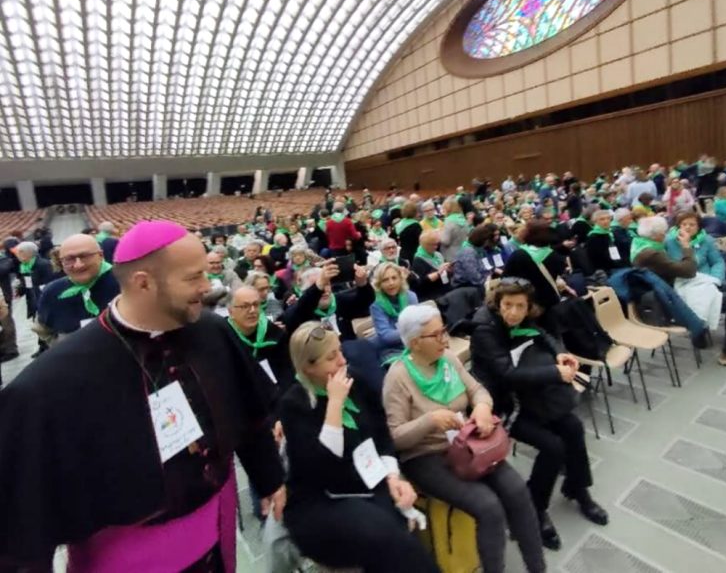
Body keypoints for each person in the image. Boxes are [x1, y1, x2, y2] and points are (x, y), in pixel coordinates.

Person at [0, 220, 285, 571]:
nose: (208, 286)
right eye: (193, 277)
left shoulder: (211, 329)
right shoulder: (52, 381)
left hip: (218, 523)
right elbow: (25, 516)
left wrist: (270, 479)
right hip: (130, 553)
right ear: (143, 282)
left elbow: (250, 411)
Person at [383, 305, 545, 573]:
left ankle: (537, 567)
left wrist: (482, 407)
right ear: (414, 343)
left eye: (443, 332)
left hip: (466, 445)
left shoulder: (447, 359)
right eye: (435, 335)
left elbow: (478, 390)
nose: (444, 340)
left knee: (516, 489)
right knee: (488, 506)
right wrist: (430, 420)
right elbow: (396, 437)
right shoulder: (397, 377)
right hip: (425, 455)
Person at [278, 322, 437, 573]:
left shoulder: (355, 380)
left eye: (340, 351)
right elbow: (323, 468)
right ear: (308, 367)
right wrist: (334, 406)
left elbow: (381, 433)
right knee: (385, 536)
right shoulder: (294, 405)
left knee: (399, 538)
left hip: (366, 481)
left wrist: (393, 476)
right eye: (331, 358)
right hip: (321, 501)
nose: (342, 361)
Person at [470, 279, 608, 550]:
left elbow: (543, 335)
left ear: (528, 307)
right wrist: (556, 373)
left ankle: (577, 487)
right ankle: (535, 508)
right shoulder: (484, 328)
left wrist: (560, 355)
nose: (513, 312)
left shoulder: (524, 320)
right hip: (504, 406)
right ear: (498, 304)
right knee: (553, 447)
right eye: (507, 306)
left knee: (573, 428)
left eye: (520, 307)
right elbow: (506, 376)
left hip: (533, 398)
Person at [633, 216, 726, 371]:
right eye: (665, 232)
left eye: (692, 224)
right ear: (657, 235)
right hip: (672, 298)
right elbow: (688, 271)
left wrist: (714, 278)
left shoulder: (650, 245)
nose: (667, 234)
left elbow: (713, 262)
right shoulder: (653, 252)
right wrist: (686, 247)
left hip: (680, 287)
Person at [34, 233, 120, 346]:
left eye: (85, 256)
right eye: (69, 259)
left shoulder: (125, 280)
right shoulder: (52, 292)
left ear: (101, 255)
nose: (78, 265)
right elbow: (44, 330)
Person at [370, 262, 418, 363]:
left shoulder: (411, 297)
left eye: (394, 278)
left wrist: (414, 330)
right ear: (379, 284)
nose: (391, 283)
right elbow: (386, 336)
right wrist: (410, 331)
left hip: (413, 344)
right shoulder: (376, 305)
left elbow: (417, 327)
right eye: (385, 280)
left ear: (400, 279)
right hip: (390, 349)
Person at [452, 224, 501, 289]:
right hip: (466, 287)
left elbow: (485, 267)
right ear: (481, 240)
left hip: (481, 282)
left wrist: (490, 273)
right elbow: (475, 278)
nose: (487, 242)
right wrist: (488, 281)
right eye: (487, 240)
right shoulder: (468, 252)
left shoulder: (479, 250)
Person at [411, 230, 452, 301]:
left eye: (437, 244)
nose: (436, 247)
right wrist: (438, 273)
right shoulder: (418, 260)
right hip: (431, 295)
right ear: (425, 245)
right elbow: (420, 283)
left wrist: (449, 269)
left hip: (445, 290)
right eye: (432, 244)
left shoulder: (438, 255)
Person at [440, 197, 471, 262]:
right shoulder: (463, 219)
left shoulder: (449, 221)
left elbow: (445, 241)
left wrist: (439, 234)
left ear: (448, 209)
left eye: (444, 208)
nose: (443, 210)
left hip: (451, 256)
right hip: (464, 253)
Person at [394, 200, 422, 264]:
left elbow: (392, 238)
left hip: (402, 253)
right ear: (415, 212)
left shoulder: (398, 224)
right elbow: (421, 241)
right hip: (414, 254)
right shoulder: (416, 225)